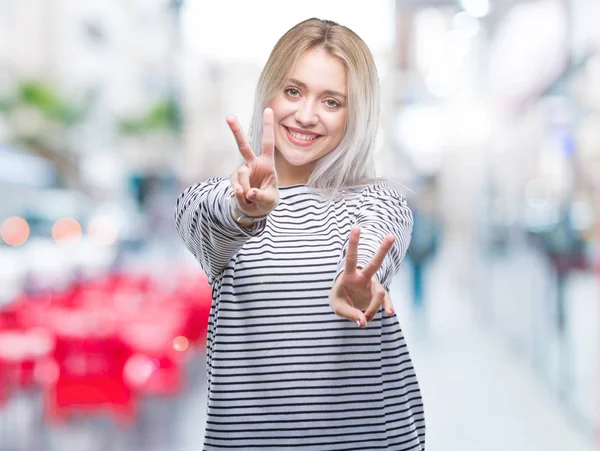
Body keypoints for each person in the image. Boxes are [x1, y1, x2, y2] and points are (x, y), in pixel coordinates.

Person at [174, 18, 425, 450]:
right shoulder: (211, 201)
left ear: (355, 114)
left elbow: (375, 241)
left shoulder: (379, 200)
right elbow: (210, 220)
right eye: (293, 91)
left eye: (332, 102)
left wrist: (362, 283)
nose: (306, 115)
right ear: (269, 92)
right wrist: (245, 209)